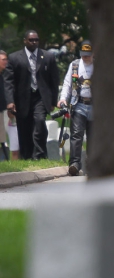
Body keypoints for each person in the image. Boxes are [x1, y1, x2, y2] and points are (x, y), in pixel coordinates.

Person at [3, 30, 60, 159]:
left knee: (39, 122)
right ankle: (27, 156)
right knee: (24, 128)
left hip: (40, 97)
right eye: (31, 40)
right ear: (25, 41)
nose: (34, 42)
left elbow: (54, 80)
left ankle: (40, 155)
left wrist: (53, 101)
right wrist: (10, 101)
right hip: (22, 98)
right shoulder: (14, 58)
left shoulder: (48, 56)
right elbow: (9, 82)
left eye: (36, 40)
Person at [57, 40, 94, 176]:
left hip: (95, 105)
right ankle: (75, 164)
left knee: (93, 137)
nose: (86, 57)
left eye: (88, 55)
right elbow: (67, 83)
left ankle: (92, 164)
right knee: (76, 135)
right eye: (84, 54)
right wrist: (62, 99)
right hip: (79, 104)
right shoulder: (75, 65)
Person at [0, 50, 9, 161]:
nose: (6, 62)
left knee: (2, 138)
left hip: (1, 110)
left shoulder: (3, 75)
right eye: (3, 60)